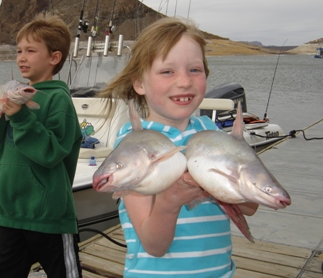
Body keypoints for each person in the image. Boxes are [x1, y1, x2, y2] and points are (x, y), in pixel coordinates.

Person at [98, 17, 258, 277]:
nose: (184, 82)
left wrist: (234, 183)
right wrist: (170, 202)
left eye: (195, 70)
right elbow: (154, 245)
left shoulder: (212, 132)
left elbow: (251, 207)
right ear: (139, 83)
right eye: (167, 71)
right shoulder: (133, 147)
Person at [0, 14, 83, 278]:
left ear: (54, 58)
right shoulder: (17, 95)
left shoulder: (58, 100)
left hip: (48, 216)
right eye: (19, 51)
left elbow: (51, 153)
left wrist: (21, 116)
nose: (21, 58)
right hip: (11, 212)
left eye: (30, 51)